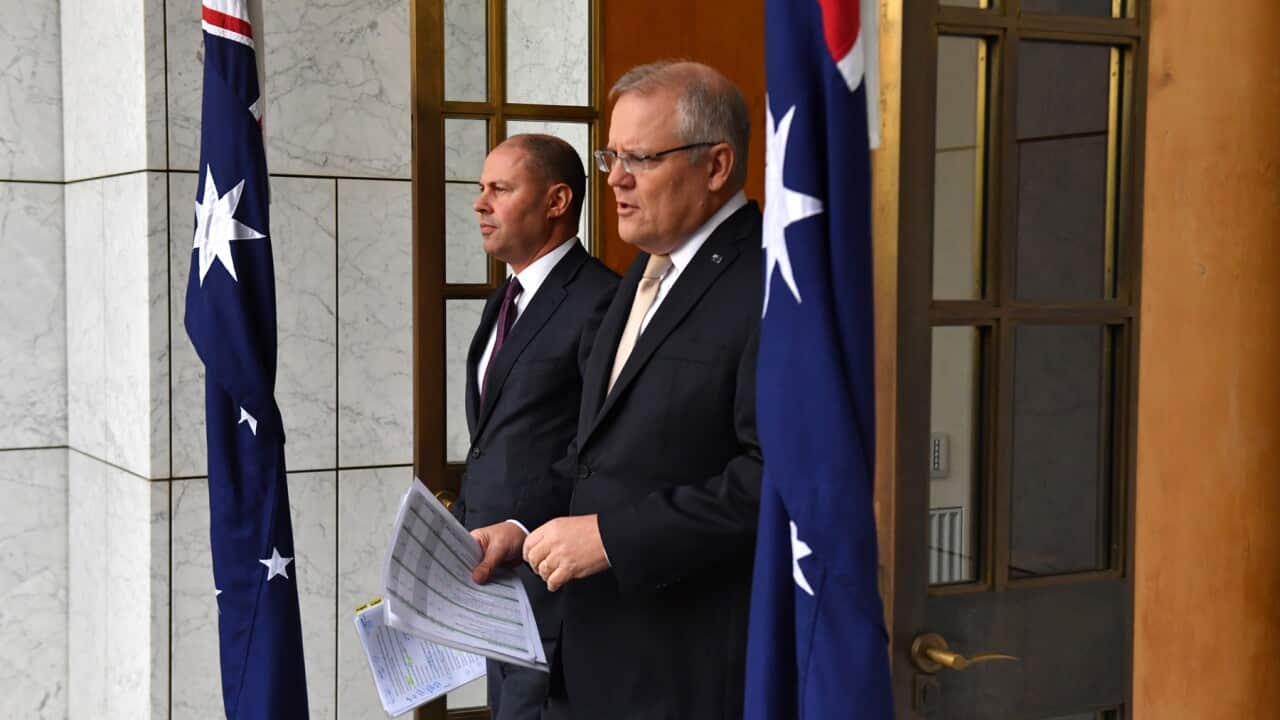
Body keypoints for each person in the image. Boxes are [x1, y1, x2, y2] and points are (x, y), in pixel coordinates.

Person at [469, 61, 763, 719]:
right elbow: (594, 455)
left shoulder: (769, 283)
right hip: (589, 660)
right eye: (611, 157)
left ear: (716, 166)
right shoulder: (642, 274)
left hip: (686, 673)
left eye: (640, 159)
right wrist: (520, 527)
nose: (615, 179)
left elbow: (773, 480)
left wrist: (612, 538)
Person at [453, 133, 619, 720]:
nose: (480, 203)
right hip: (495, 587)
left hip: (558, 592)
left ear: (556, 201)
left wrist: (523, 526)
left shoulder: (603, 300)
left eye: (500, 189)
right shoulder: (504, 298)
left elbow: (601, 448)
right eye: (481, 188)